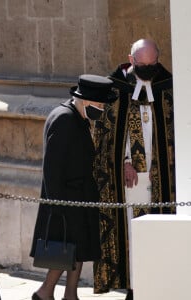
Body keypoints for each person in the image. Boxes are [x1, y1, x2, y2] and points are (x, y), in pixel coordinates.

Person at [93, 39, 175, 300]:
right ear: (131, 58)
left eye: (153, 64)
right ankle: (134, 286)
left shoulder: (168, 87)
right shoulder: (115, 89)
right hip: (128, 180)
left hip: (161, 176)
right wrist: (124, 162)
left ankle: (159, 284)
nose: (148, 69)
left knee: (159, 229)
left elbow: (175, 131)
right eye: (142, 65)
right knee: (131, 231)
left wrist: (163, 164)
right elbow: (104, 136)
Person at [30, 74, 117, 300]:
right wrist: (57, 204)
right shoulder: (64, 119)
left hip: (79, 195)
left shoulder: (76, 117)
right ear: (86, 100)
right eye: (99, 104)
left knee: (78, 248)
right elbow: (52, 166)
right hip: (66, 198)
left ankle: (71, 294)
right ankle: (44, 292)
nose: (101, 108)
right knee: (66, 248)